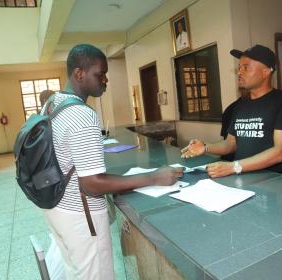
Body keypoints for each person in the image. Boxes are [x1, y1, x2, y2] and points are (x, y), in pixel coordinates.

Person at [42, 44, 183, 280]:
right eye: (100, 74)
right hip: (81, 215)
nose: (106, 80)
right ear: (79, 74)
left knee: (76, 271)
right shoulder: (82, 115)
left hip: (57, 206)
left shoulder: (53, 102)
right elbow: (92, 183)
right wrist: (154, 177)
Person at [181, 44, 282, 177]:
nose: (239, 72)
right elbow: (230, 144)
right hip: (243, 176)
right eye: (239, 68)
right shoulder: (240, 106)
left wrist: (234, 166)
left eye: (246, 68)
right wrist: (205, 147)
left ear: (266, 71)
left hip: (276, 178)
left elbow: (281, 151)